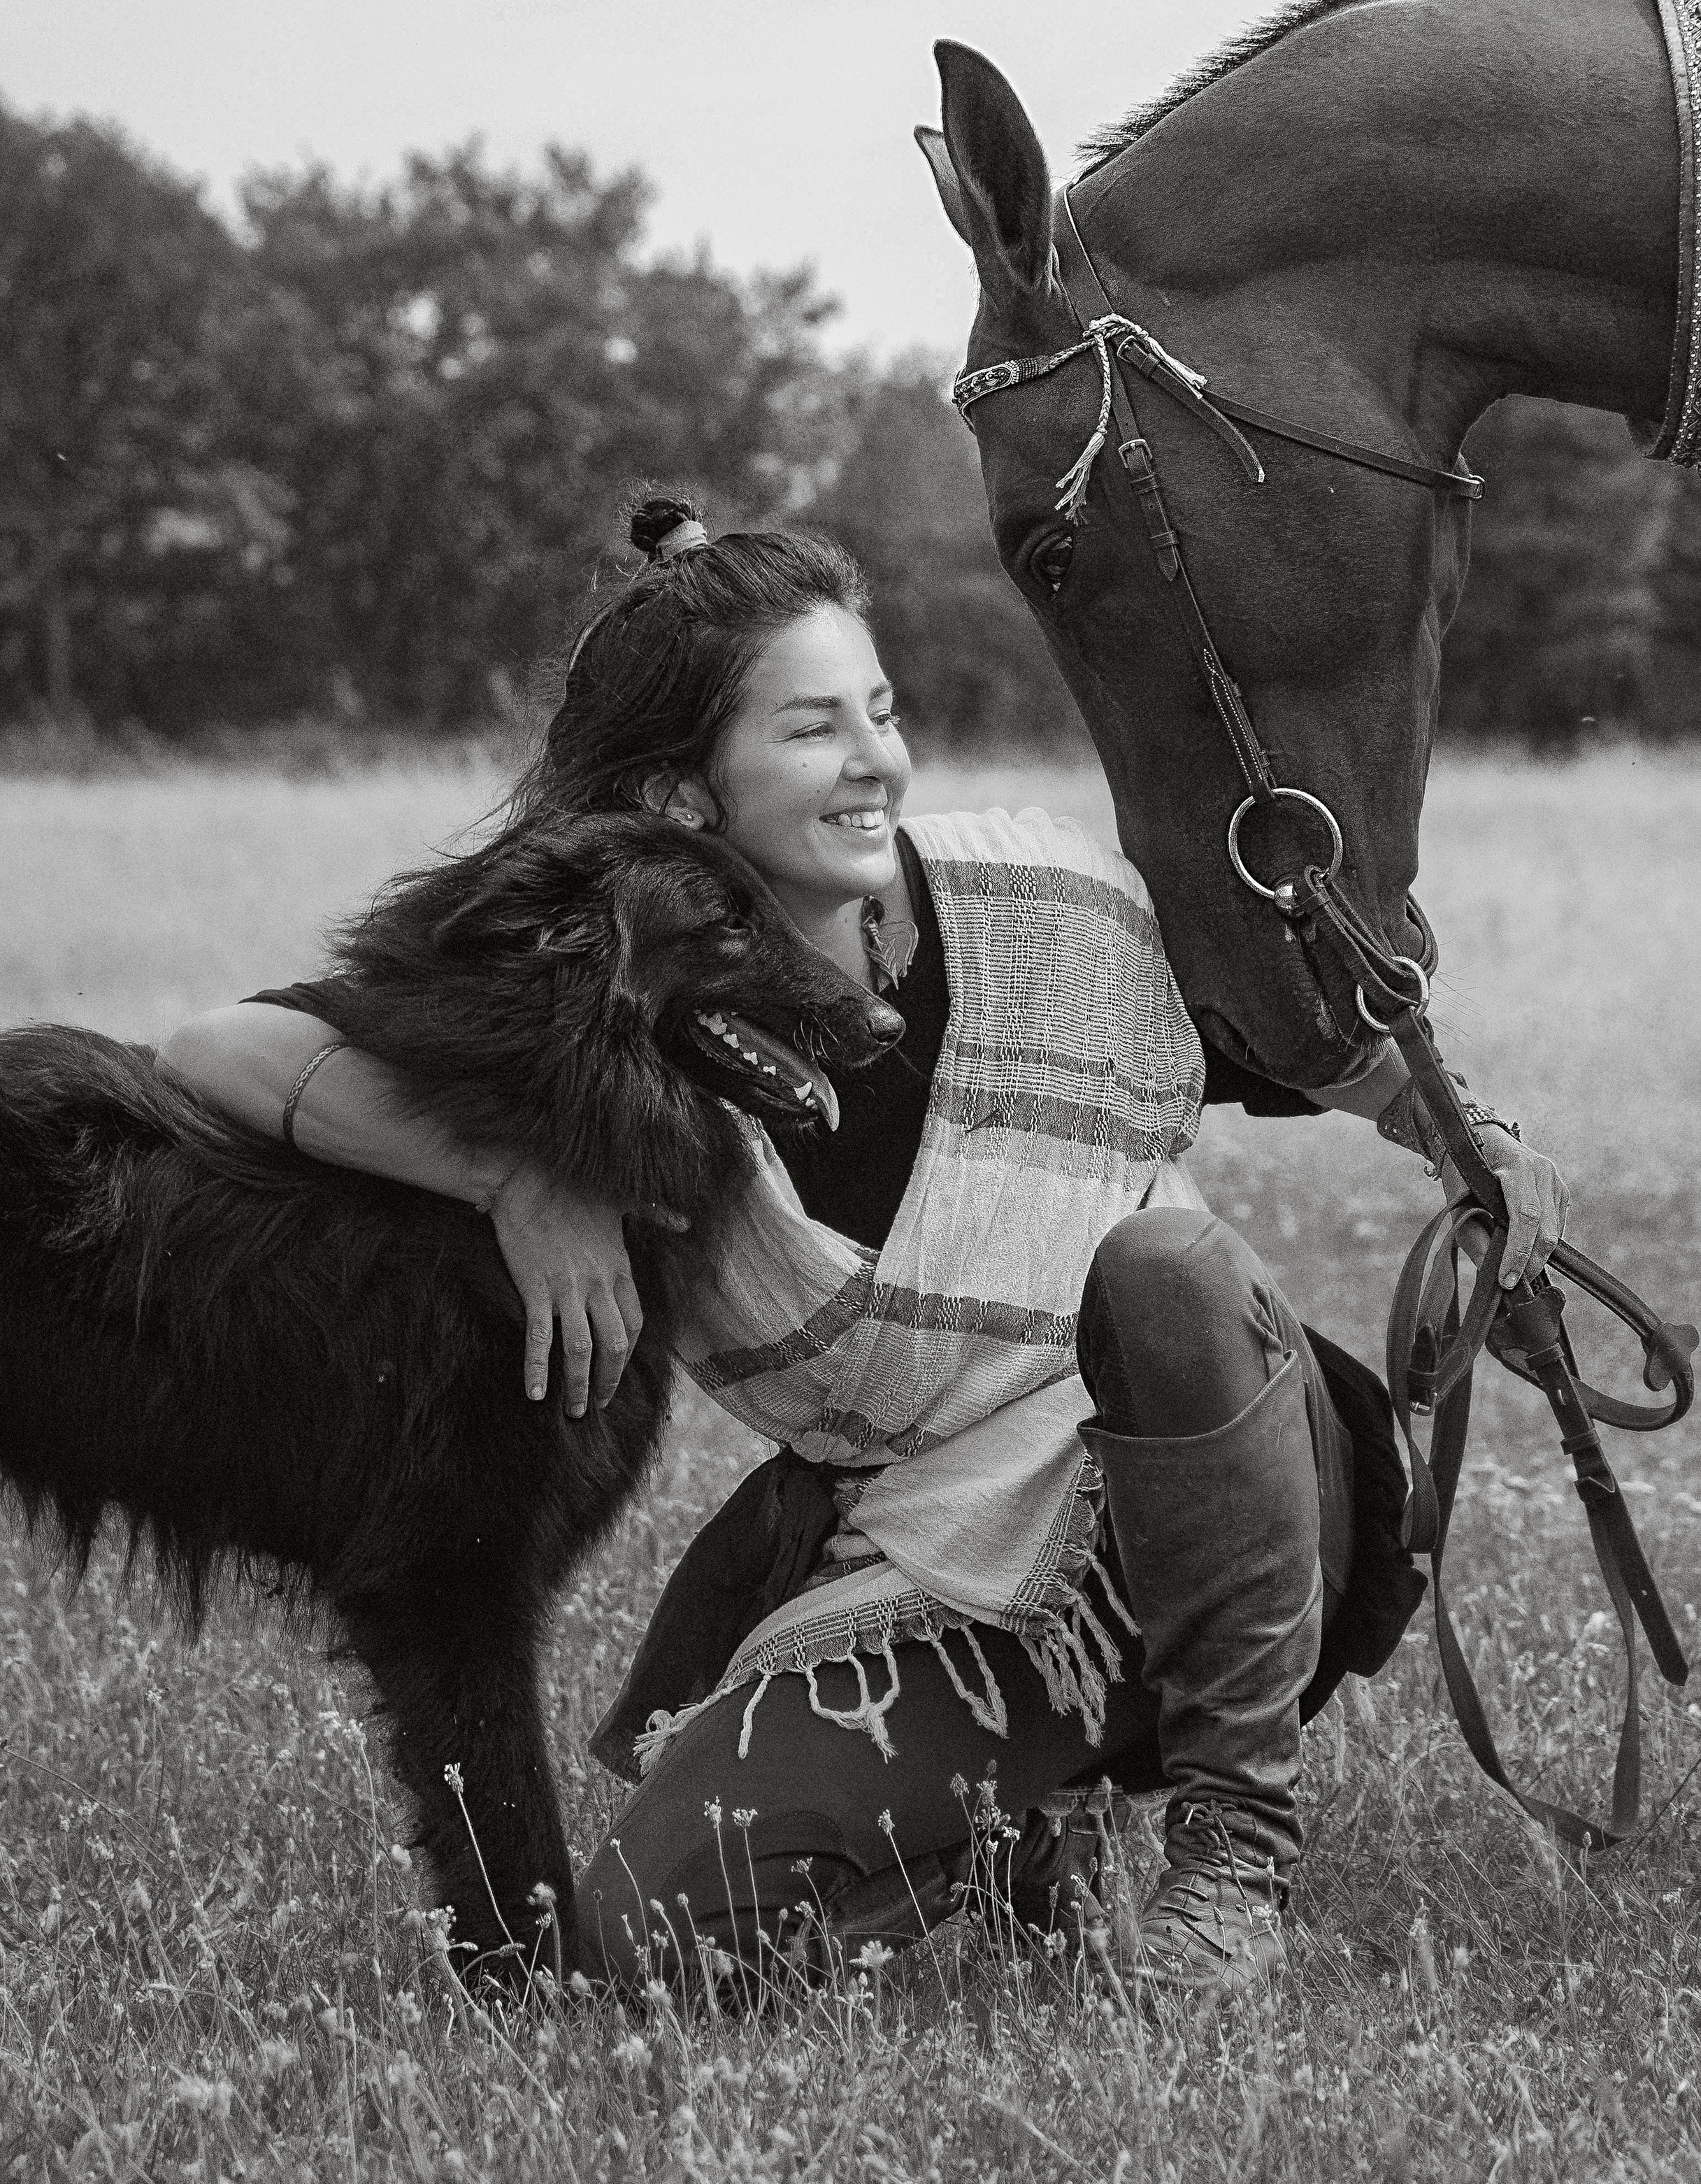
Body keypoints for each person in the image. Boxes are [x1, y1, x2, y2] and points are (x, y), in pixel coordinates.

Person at [159, 497, 1568, 1999]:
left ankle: (1232, 1846)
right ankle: (1017, 1815)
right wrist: (515, 1179)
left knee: (1165, 1273)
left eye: (879, 715)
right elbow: (216, 1048)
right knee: (648, 1954)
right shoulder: (603, 989)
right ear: (684, 795)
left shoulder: (1054, 906)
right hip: (944, 1546)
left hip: (1238, 1466)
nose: (873, 761)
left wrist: (1458, 1131)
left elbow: (1293, 1035)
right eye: (812, 730)